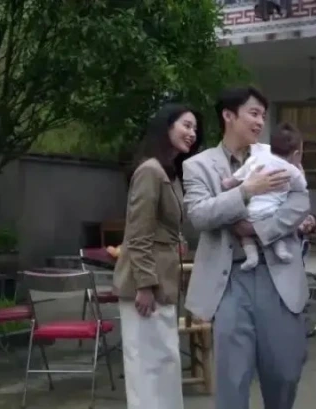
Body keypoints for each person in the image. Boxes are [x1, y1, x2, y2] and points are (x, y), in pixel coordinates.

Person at [182, 86, 312, 409]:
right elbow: (199, 215)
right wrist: (245, 192)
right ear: (229, 115)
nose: (260, 122)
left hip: (278, 276)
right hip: (229, 281)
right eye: (253, 114)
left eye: (263, 116)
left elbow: (300, 200)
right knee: (232, 378)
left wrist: (258, 229)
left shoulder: (274, 155)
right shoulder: (198, 165)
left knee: (284, 374)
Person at [112, 103, 202, 409]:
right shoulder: (150, 171)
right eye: (186, 125)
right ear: (166, 126)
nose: (192, 133)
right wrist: (145, 284)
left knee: (164, 365)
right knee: (147, 371)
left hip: (163, 283)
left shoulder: (167, 172)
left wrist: (177, 242)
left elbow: (165, 225)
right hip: (146, 287)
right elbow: (138, 233)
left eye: (194, 128)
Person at [221, 123, 308, 270]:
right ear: (296, 154)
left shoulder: (257, 159)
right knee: (274, 231)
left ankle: (251, 256)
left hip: (250, 212)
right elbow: (302, 189)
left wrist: (228, 182)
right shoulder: (292, 171)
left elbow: (239, 176)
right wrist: (301, 175)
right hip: (272, 213)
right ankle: (280, 249)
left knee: (245, 235)